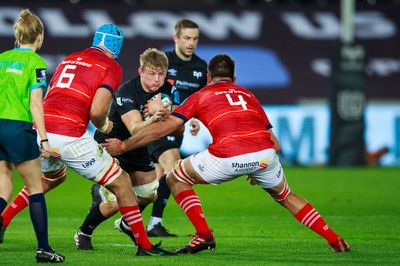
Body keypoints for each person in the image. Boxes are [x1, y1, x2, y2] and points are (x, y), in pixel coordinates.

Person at [102, 53, 351, 254]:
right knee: (286, 196)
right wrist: (256, 166)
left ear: (208, 76)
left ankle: (204, 235)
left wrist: (123, 146)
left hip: (228, 154)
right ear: (234, 77)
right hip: (264, 154)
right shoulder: (248, 95)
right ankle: (334, 239)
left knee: (175, 177)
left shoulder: (202, 95)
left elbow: (161, 131)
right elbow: (275, 143)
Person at [0, 23, 174, 256]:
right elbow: (96, 112)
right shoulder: (110, 65)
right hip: (69, 133)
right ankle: (144, 246)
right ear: (117, 45)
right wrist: (105, 125)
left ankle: (3, 220)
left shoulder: (70, 58)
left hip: (41, 129)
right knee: (122, 183)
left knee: (51, 177)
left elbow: (50, 92)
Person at [75, 48, 180, 248]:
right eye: (151, 73)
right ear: (140, 71)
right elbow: (134, 128)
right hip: (110, 147)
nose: (157, 79)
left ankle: (126, 224)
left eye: (161, 74)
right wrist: (156, 116)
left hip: (137, 148)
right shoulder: (126, 92)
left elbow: (176, 118)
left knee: (150, 194)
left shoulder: (170, 89)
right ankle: (84, 232)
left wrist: (163, 113)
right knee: (117, 202)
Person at [0, 9, 65, 263]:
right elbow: (36, 104)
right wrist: (45, 141)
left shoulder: (2, 58)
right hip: (18, 128)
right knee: (35, 187)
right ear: (40, 37)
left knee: (4, 184)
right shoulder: (36, 64)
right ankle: (44, 249)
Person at [144, 18, 207, 237]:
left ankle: (106, 196)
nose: (191, 43)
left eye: (195, 38)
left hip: (178, 129)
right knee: (174, 167)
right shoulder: (164, 63)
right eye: (187, 38)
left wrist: (196, 118)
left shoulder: (201, 68)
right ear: (176, 38)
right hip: (158, 125)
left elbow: (201, 99)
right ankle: (154, 224)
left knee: (155, 183)